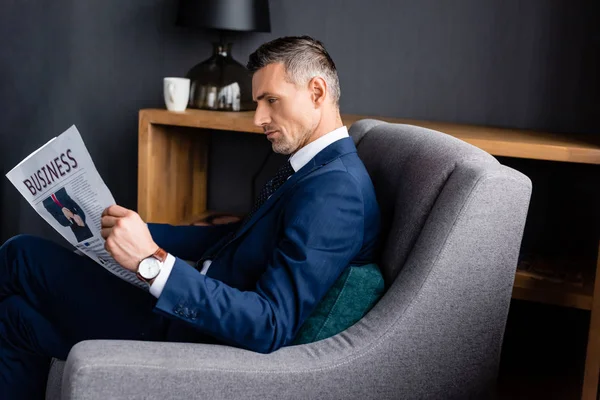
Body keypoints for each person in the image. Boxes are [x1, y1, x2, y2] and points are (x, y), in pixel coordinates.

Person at [0, 36, 381, 399]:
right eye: (258, 102)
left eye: (271, 100)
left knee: (21, 256)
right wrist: (129, 233)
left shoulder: (336, 191)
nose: (258, 119)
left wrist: (152, 263)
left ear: (317, 92)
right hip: (188, 306)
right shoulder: (316, 169)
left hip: (192, 335)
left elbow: (269, 324)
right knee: (15, 318)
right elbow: (241, 238)